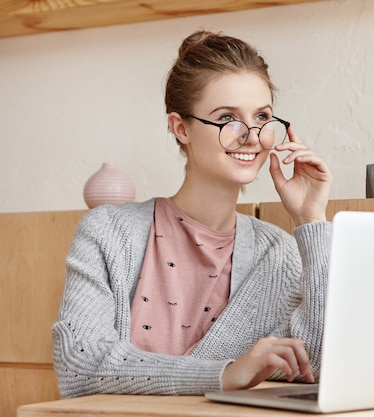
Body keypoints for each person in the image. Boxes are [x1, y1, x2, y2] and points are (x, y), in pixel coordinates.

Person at [52, 30, 333, 398]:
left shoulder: (277, 253)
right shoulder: (107, 232)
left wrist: (311, 220)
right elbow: (79, 364)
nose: (250, 136)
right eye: (227, 117)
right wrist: (224, 374)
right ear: (180, 128)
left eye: (262, 116)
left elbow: (318, 362)